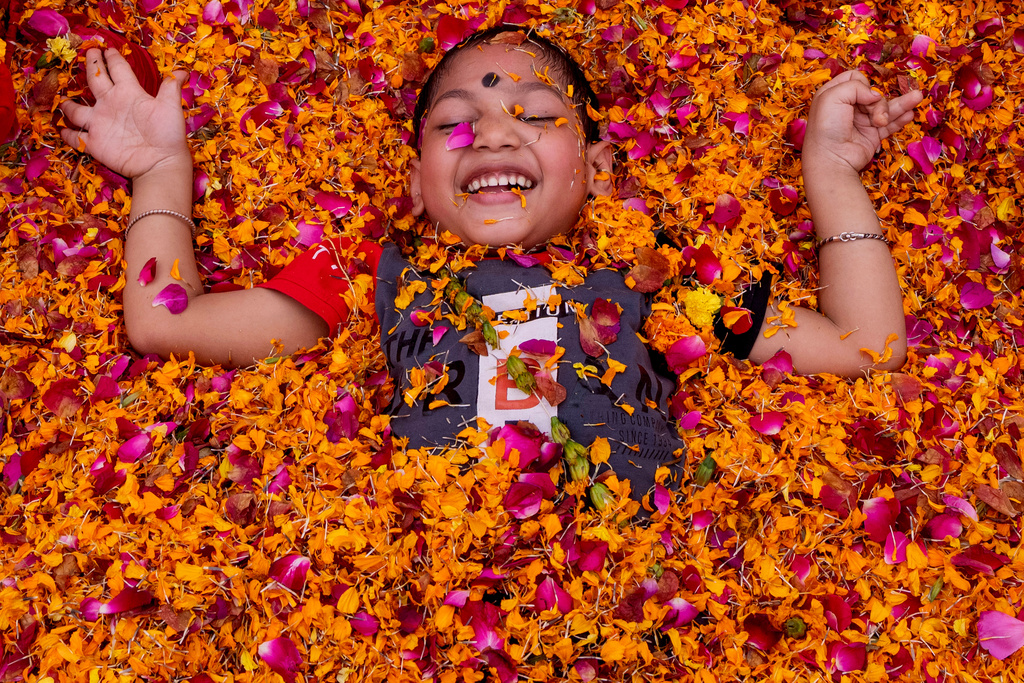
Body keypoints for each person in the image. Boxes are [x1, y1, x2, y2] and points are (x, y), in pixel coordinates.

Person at [58, 25, 923, 499]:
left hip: (630, 606)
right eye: (453, 121)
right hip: (429, 595)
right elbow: (162, 321)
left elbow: (864, 344)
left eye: (540, 114)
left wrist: (832, 172)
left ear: (600, 168)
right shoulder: (371, 274)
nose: (496, 131)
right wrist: (162, 171)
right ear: (416, 182)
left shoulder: (663, 284)